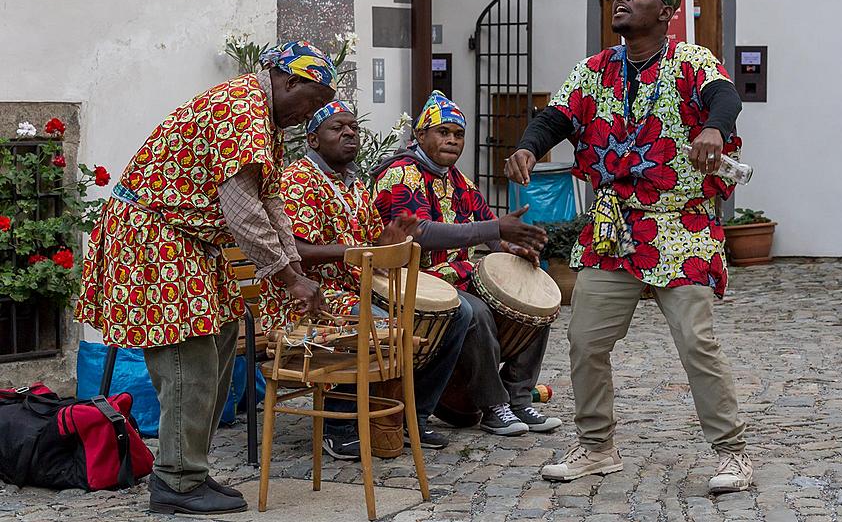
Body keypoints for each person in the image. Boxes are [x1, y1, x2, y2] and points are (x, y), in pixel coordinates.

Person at [505, 0, 751, 493]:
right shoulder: (594, 70)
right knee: (584, 340)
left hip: (679, 225)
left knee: (696, 342)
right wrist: (529, 144)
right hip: (614, 229)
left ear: (665, 11)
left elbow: (725, 97)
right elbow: (555, 117)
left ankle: (732, 453)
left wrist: (713, 126)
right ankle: (597, 448)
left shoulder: (690, 61)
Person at [75, 41, 336, 515]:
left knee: (221, 338)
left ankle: (188, 467)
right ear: (289, 80)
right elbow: (242, 212)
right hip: (156, 238)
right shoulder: (240, 110)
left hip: (190, 241)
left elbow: (270, 201)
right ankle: (175, 481)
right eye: (312, 102)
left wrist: (293, 266)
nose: (309, 115)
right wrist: (288, 278)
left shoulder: (265, 120)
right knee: (187, 357)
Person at [258, 100, 471, 456]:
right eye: (337, 128)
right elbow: (296, 249)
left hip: (355, 287)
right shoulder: (299, 180)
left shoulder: (355, 185)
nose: (349, 134)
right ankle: (339, 425)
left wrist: (389, 241)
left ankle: (411, 416)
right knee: (379, 323)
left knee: (458, 312)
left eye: (354, 128)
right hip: (309, 296)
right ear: (312, 140)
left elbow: (373, 242)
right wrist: (354, 252)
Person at [373, 91, 562, 437]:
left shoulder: (460, 181)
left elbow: (489, 231)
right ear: (420, 134)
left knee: (536, 303)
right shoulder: (401, 174)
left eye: (458, 134)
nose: (451, 140)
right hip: (418, 283)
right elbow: (422, 233)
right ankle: (493, 406)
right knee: (475, 311)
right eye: (442, 131)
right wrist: (494, 229)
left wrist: (512, 248)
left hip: (458, 278)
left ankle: (518, 398)